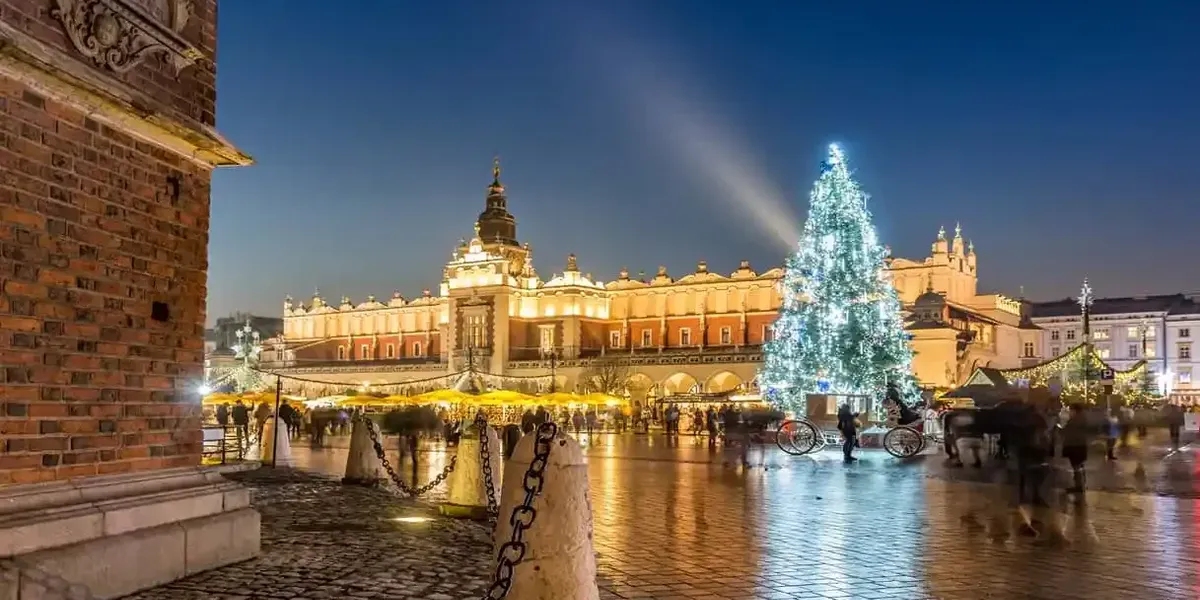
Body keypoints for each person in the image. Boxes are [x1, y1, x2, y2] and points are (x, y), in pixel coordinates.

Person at [1061, 403, 1090, 495]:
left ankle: (1079, 486)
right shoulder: (1083, 418)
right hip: (1080, 445)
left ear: (1075, 410)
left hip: (1075, 446)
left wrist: (1061, 428)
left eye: (1071, 410)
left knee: (1077, 466)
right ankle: (1080, 485)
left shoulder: (1075, 420)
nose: (1070, 412)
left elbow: (1067, 431)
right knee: (1079, 466)